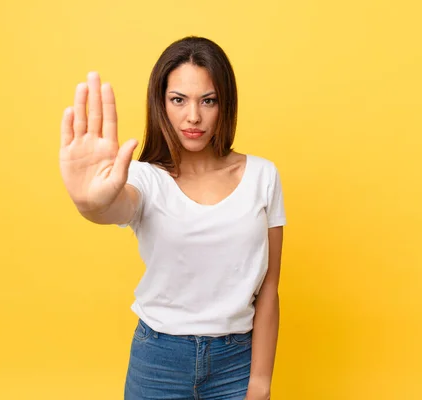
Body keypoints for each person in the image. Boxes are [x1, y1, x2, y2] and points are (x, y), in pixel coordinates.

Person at [59, 36, 286, 400]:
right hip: (158, 362)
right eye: (178, 99)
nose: (192, 116)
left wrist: (259, 382)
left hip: (237, 363)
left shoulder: (263, 176)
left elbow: (269, 289)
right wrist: (89, 203)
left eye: (207, 101)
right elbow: (114, 205)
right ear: (160, 103)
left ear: (224, 104)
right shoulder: (143, 178)